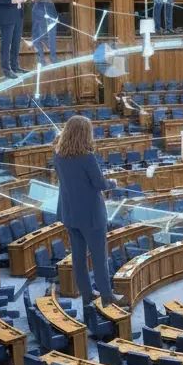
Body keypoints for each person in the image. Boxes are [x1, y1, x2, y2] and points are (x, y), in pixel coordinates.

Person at [52, 115, 117, 316]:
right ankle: (107, 296)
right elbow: (99, 184)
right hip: (91, 215)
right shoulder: (87, 157)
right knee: (99, 258)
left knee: (78, 258)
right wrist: (112, 182)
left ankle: (88, 294)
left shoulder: (58, 155)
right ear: (84, 134)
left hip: (70, 214)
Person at [30, 0, 59, 65]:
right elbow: (35, 22)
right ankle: (42, 59)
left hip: (49, 28)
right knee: (36, 39)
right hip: (40, 29)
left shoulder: (51, 4)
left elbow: (54, 17)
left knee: (50, 38)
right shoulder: (37, 4)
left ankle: (52, 58)